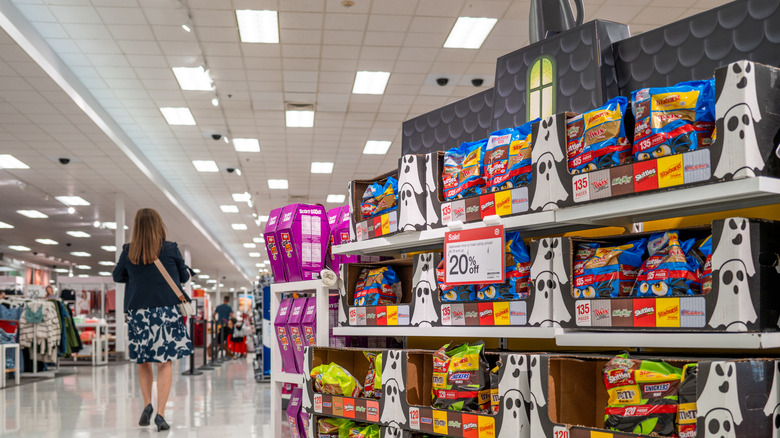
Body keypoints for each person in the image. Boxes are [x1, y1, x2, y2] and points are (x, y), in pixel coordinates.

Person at [113, 208, 193, 431]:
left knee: (143, 360)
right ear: (159, 225)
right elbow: (184, 277)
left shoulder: (129, 251)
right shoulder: (169, 248)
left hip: (139, 314)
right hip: (166, 313)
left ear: (137, 227)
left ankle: (147, 403)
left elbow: (117, 276)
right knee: (165, 363)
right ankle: (160, 414)